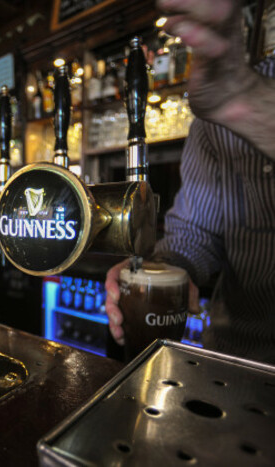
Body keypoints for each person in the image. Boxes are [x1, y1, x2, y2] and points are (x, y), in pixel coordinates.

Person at [105, 0, 275, 363]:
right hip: (237, 360)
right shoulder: (213, 113)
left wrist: (252, 104)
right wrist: (163, 268)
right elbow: (196, 234)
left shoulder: (229, 96)